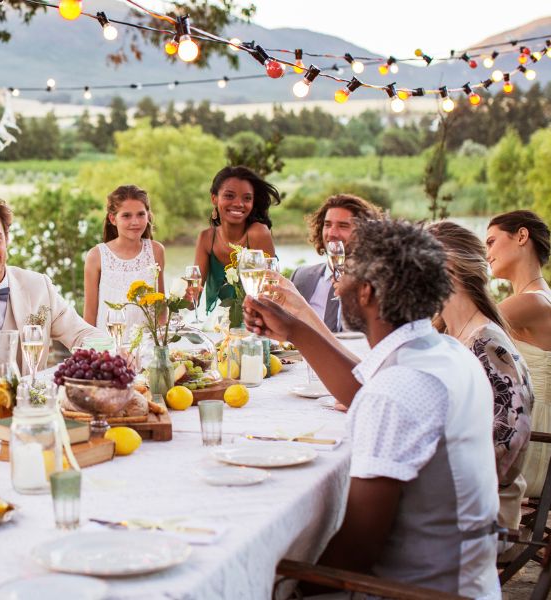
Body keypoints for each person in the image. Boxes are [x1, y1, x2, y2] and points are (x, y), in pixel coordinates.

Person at [243, 219, 499, 598]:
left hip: (418, 591)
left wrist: (290, 588)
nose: (336, 282)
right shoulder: (444, 353)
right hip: (471, 580)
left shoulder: (401, 387)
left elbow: (358, 548)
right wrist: (295, 330)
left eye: (344, 272)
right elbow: (364, 390)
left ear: (366, 292)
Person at [429, 220, 534, 535]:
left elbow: (505, 445)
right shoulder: (446, 332)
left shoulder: (487, 343)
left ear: (448, 269)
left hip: (484, 512)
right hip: (452, 494)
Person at [0, 194, 102, 378]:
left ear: (7, 239)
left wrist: (113, 352)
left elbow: (81, 333)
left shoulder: (39, 286)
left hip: (29, 405)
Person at [486, 209, 551, 497]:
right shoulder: (534, 298)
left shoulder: (532, 303)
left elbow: (456, 330)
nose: (486, 253)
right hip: (522, 428)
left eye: (490, 242)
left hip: (533, 442)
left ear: (522, 236)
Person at [193, 165, 279, 315]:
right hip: (225, 325)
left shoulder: (258, 233)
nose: (239, 203)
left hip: (259, 324)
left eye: (247, 198)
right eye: (229, 196)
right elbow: (192, 300)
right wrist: (185, 294)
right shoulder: (206, 239)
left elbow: (270, 296)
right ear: (214, 198)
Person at [290, 193, 382, 332]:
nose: (332, 233)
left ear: (365, 232)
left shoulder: (376, 283)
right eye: (327, 225)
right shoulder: (301, 277)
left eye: (343, 226)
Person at [83, 184, 166, 329]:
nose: (135, 222)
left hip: (148, 345)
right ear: (113, 219)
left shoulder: (156, 251)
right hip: (109, 346)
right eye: (126, 215)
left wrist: (162, 344)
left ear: (148, 215)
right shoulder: (96, 256)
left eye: (141, 214)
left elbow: (161, 306)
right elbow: (90, 314)